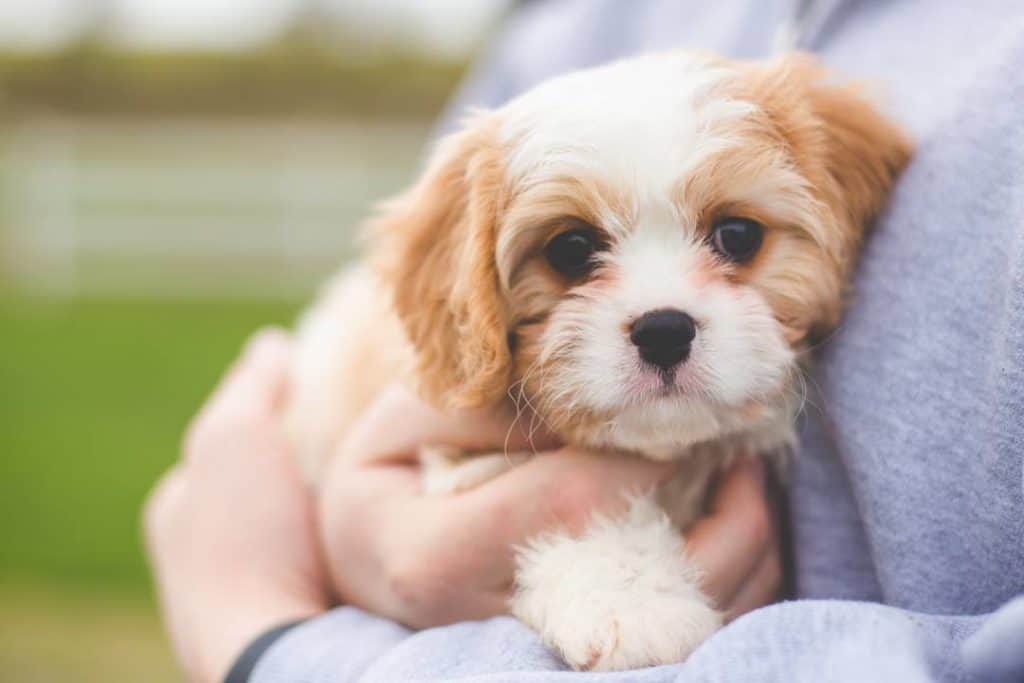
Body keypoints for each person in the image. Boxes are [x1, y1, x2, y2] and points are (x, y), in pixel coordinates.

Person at [144, 1, 1024, 681]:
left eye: (734, 239)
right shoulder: (571, 27)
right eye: (573, 252)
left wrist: (275, 641)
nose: (663, 311)